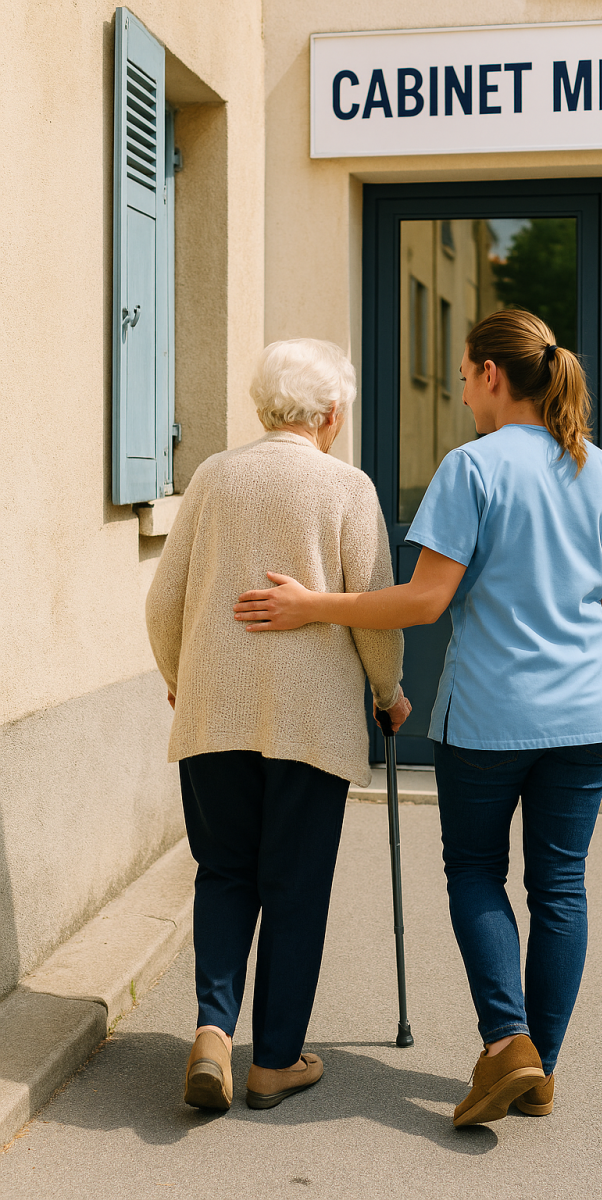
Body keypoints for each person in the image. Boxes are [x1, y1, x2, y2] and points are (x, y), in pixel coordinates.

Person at [234, 309, 602, 1129]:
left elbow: (424, 601)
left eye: (462, 376)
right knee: (561, 888)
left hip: (489, 717)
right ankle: (538, 1069)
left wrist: (314, 605)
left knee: (476, 871)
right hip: (588, 717)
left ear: (492, 375)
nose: (460, 392)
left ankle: (508, 1042)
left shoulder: (471, 468)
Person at [146, 338, 410, 1113]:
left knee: (224, 872)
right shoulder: (347, 488)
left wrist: (180, 676)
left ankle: (212, 1032)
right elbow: (375, 611)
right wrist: (388, 691)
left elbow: (163, 603)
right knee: (295, 887)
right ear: (332, 413)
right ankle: (275, 1063)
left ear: (264, 406)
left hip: (215, 712)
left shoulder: (211, 477)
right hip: (311, 723)